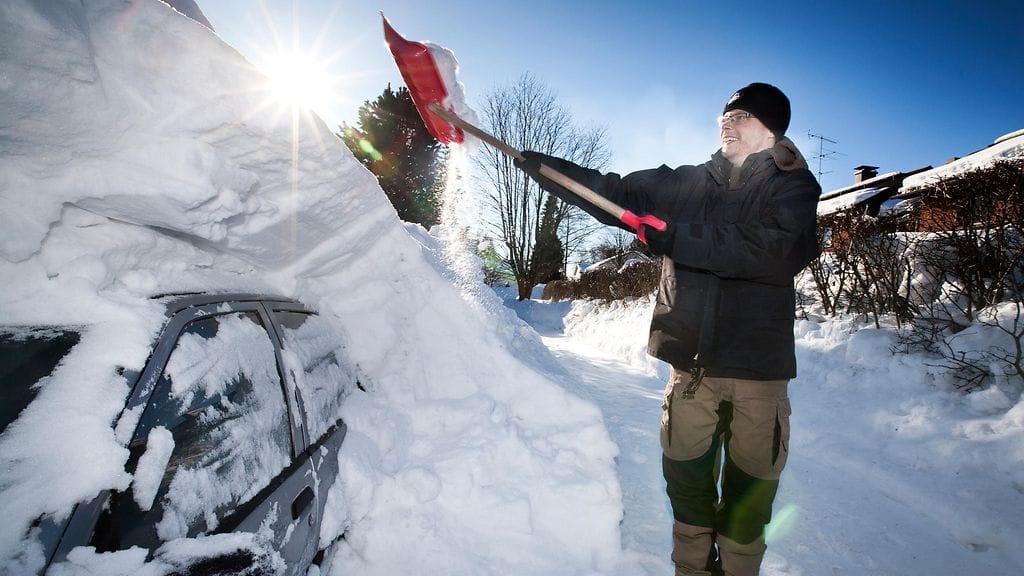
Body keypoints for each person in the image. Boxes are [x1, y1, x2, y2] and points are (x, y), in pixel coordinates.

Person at [516, 83, 820, 576]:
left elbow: (776, 248)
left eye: (741, 115)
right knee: (688, 491)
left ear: (770, 129)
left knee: (749, 498)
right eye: (725, 114)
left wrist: (677, 236)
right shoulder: (688, 184)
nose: (727, 122)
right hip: (691, 371)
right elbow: (613, 191)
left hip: (756, 376)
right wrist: (544, 168)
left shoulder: (792, 186)